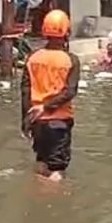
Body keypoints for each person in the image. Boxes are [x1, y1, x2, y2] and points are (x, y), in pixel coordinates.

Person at [21, 10, 81, 182]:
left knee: (41, 163)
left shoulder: (32, 58)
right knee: (57, 170)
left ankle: (36, 198)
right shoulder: (71, 60)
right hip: (59, 122)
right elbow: (69, 92)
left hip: (37, 121)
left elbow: (25, 91)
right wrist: (46, 107)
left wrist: (26, 121)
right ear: (66, 32)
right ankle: (54, 205)